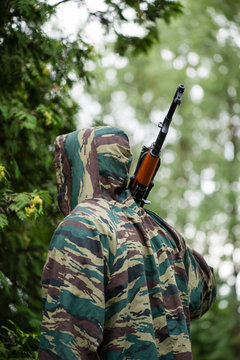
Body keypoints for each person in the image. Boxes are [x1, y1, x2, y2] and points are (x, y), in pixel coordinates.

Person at [39, 126, 216, 360]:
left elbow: (63, 346)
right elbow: (204, 293)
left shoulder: (81, 227)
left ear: (82, 168)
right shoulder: (164, 234)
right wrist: (154, 230)